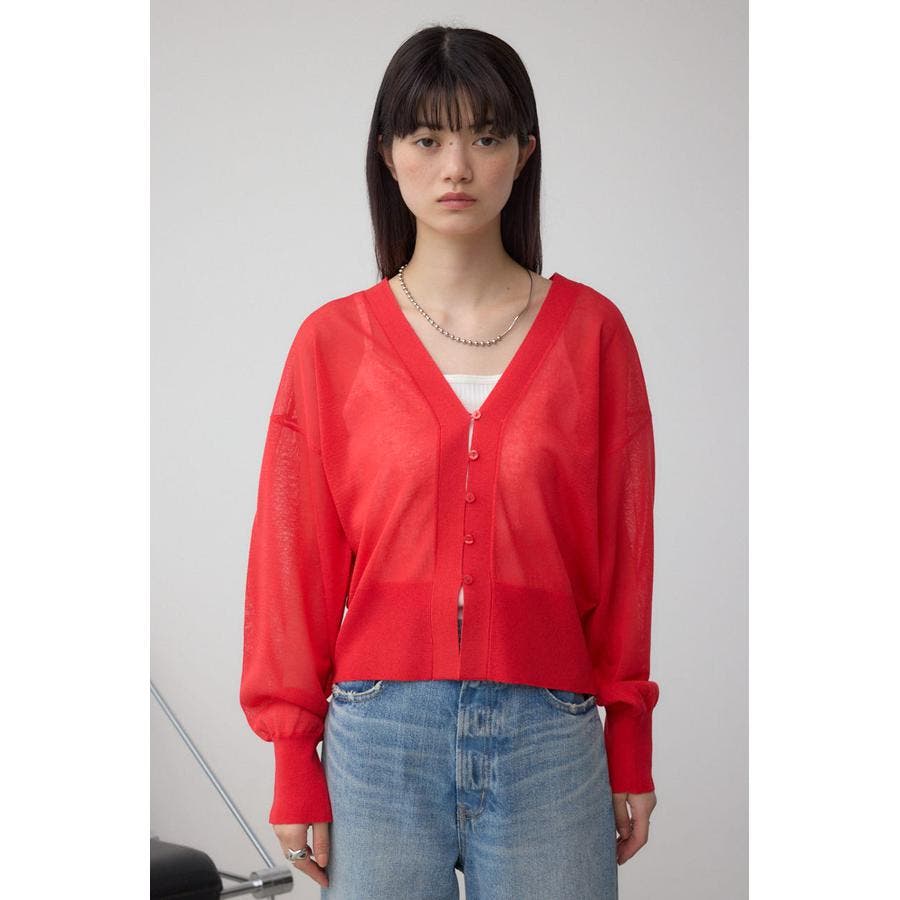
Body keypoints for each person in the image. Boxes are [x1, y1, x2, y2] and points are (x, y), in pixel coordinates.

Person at [240, 24, 659, 899]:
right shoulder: (332, 344)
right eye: (428, 139)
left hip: (550, 736)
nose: (456, 167)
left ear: (525, 153)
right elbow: (292, 564)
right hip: (379, 739)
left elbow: (625, 560)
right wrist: (292, 758)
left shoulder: (592, 335)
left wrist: (629, 742)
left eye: (486, 137)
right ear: (387, 155)